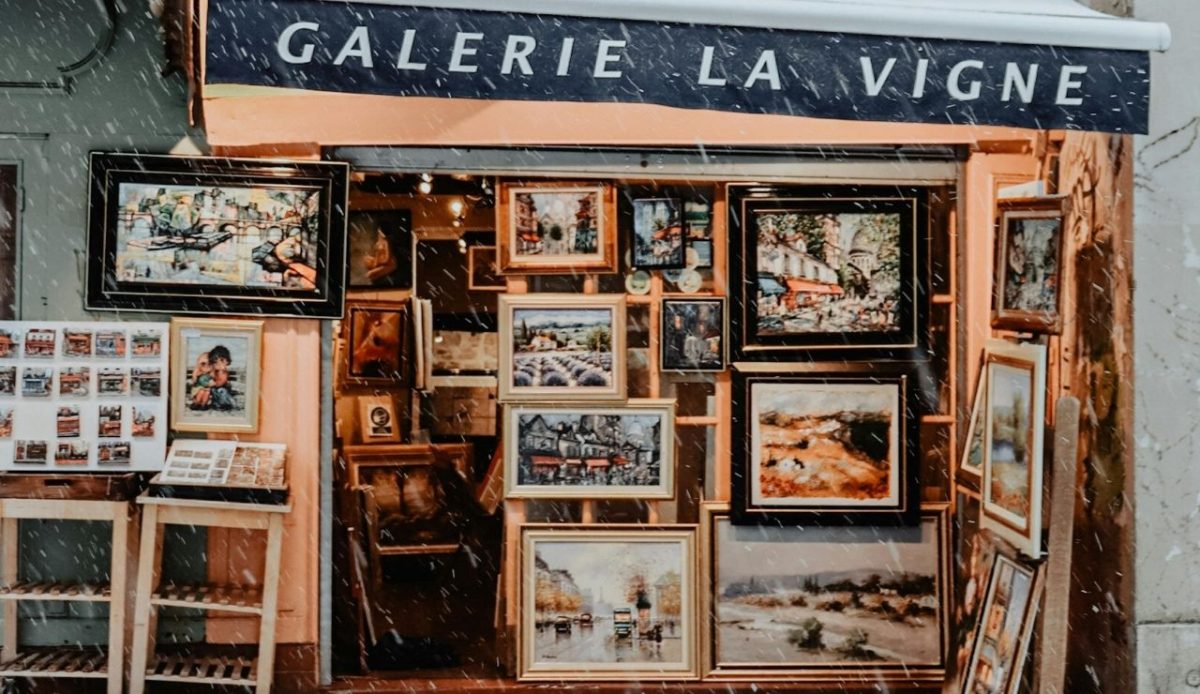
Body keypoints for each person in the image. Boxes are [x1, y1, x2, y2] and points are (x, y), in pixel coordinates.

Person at [207, 345, 237, 411]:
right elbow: (211, 377)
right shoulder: (215, 371)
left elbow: (221, 382)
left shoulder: (224, 372)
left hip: (223, 389)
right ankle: (217, 404)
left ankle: (226, 404)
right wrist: (212, 372)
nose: (219, 363)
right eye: (215, 361)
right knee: (213, 391)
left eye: (222, 360)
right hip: (215, 389)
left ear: (227, 362)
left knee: (221, 391)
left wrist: (215, 383)